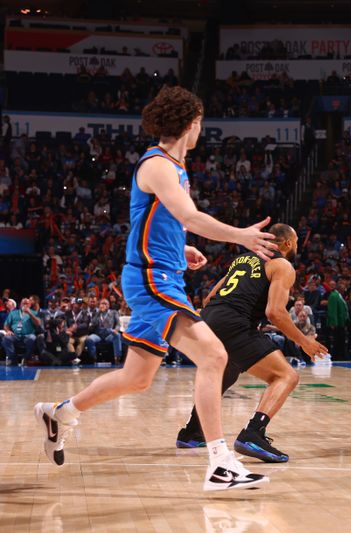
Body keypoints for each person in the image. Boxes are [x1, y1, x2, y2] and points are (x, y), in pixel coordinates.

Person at [34, 86, 279, 492]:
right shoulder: (158, 165)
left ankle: (59, 413)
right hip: (152, 280)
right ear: (192, 123)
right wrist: (240, 236)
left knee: (137, 377)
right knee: (215, 355)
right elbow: (189, 214)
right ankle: (219, 462)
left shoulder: (172, 167)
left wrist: (180, 248)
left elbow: (156, 221)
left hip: (163, 272)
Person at [176, 224, 328, 462]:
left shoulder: (243, 260)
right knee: (286, 376)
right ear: (287, 243)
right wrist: (303, 341)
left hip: (208, 320)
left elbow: (209, 297)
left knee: (228, 371)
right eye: (296, 241)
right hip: (234, 322)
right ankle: (253, 432)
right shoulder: (282, 265)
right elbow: (275, 312)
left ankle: (193, 432)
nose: (298, 246)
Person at [3, 297, 41, 365]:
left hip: (28, 335)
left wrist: (30, 313)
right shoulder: (13, 313)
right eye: (24, 303)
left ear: (30, 305)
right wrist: (8, 331)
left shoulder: (34, 313)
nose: (25, 305)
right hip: (15, 335)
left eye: (27, 303)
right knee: (6, 338)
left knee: (32, 338)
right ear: (20, 304)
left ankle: (26, 358)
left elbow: (38, 323)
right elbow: (6, 325)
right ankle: (13, 359)